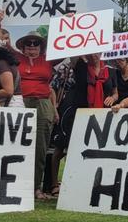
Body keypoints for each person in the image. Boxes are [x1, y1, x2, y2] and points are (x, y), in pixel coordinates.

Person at [50, 53, 118, 197]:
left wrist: (112, 98)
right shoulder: (81, 66)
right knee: (62, 147)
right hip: (77, 112)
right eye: (91, 52)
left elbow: (115, 93)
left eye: (97, 52)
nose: (94, 55)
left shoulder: (111, 71)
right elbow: (73, 54)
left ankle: (85, 183)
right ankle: (54, 184)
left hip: (100, 116)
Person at [14, 31, 57, 200]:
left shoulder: (48, 59)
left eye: (36, 45)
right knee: (17, 142)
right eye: (28, 45)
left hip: (42, 102)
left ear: (41, 47)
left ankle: (35, 188)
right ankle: (15, 183)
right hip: (20, 102)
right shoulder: (16, 57)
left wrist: (70, 22)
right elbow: (2, 43)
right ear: (23, 48)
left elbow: (69, 49)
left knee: (40, 147)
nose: (32, 48)